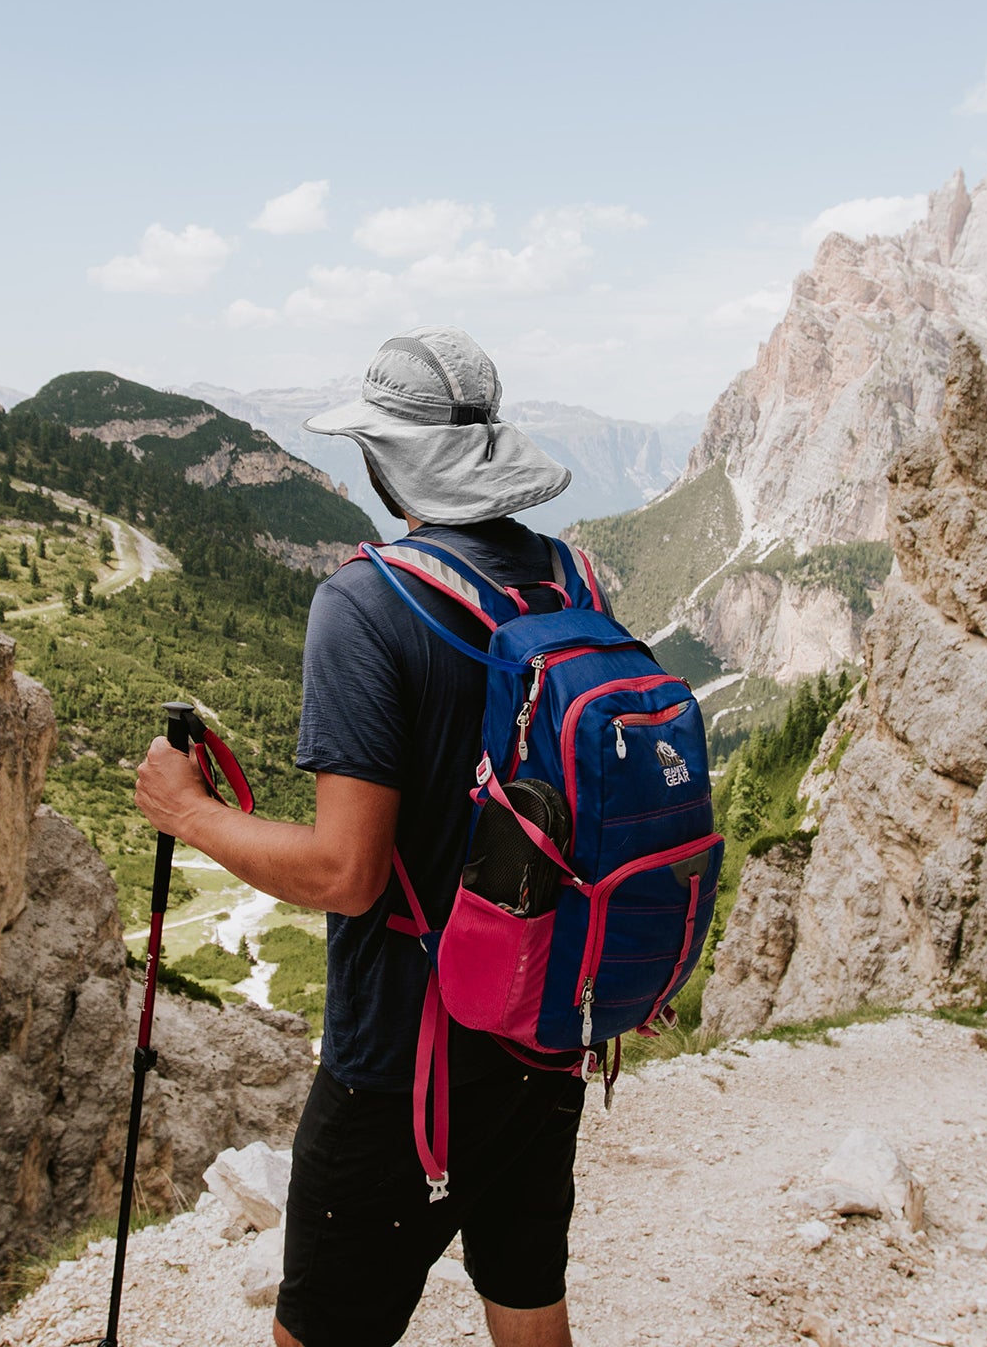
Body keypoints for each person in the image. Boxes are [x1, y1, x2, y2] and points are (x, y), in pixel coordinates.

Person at [132, 326, 586, 1347]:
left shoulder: (365, 603)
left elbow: (347, 872)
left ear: (389, 458)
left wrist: (187, 811)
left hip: (404, 1056)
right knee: (526, 1302)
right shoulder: (569, 577)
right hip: (544, 1024)